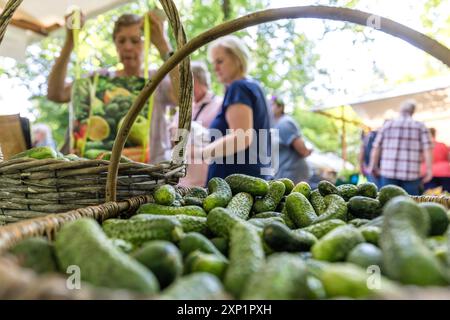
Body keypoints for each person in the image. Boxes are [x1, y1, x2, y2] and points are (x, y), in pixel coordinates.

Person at [47, 11, 178, 163]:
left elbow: (184, 97)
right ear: (115, 45)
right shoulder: (97, 80)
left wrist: (163, 44)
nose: (128, 47)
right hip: (100, 174)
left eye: (135, 40)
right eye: (121, 41)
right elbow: (56, 94)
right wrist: (70, 40)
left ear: (146, 43)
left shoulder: (158, 79)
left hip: (149, 177)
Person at [193, 35, 273, 181]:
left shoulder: (239, 88)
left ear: (237, 59)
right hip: (248, 182)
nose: (215, 68)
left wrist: (201, 153)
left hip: (235, 186)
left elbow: (241, 137)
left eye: (220, 61)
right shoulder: (254, 87)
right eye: (213, 63)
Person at [170, 61, 222, 187]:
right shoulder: (184, 106)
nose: (181, 86)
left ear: (195, 79)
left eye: (185, 80)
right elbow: (174, 137)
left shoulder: (219, 104)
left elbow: (221, 140)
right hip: (182, 180)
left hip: (208, 181)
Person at [369, 100, 433, 195]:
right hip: (411, 174)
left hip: (388, 172)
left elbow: (376, 147)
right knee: (410, 204)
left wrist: (372, 166)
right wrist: (429, 170)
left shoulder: (388, 125)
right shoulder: (420, 126)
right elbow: (427, 149)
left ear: (400, 110)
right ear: (413, 111)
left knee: (386, 204)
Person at [271, 96, 312, 183]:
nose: (269, 107)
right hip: (284, 173)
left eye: (272, 104)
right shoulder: (275, 124)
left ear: (280, 107)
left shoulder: (285, 123)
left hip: (293, 174)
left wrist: (308, 150)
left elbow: (303, 150)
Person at [421, 128, 450, 192]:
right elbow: (448, 158)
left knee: (430, 195)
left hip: (427, 173)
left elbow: (421, 159)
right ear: (435, 134)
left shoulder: (424, 146)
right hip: (445, 172)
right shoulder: (442, 145)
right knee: (446, 195)